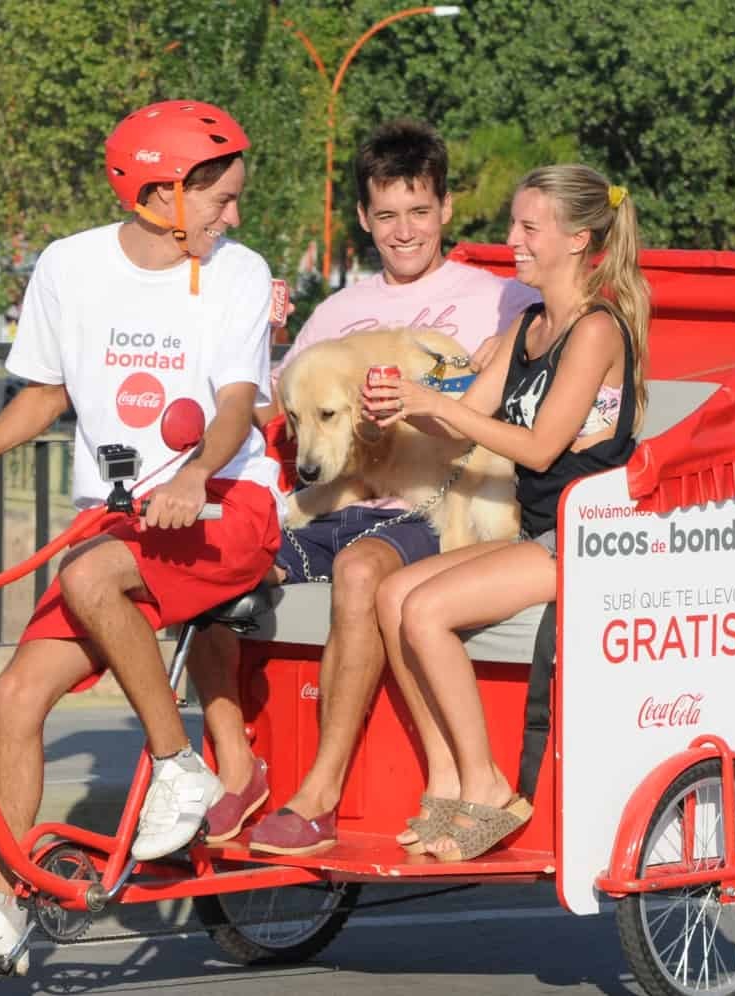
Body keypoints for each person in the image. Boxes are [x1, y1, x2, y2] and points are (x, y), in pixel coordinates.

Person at [0, 100, 282, 975]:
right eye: (221, 197)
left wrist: (193, 474)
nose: (235, 213)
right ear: (160, 193)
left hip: (226, 504)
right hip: (118, 523)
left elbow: (234, 406)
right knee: (14, 699)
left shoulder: (237, 271)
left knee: (89, 579)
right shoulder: (69, 267)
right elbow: (44, 396)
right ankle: (4, 908)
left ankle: (179, 767)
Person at [188, 119, 539, 856]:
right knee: (216, 567)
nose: (403, 231)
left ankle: (318, 795)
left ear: (446, 208)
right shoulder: (337, 313)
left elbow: (531, 398)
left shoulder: (503, 302)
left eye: (418, 211)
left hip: (431, 512)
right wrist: (256, 346)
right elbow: (286, 426)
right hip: (333, 506)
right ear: (363, 219)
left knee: (360, 568)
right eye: (386, 215)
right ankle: (235, 769)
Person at [366, 164, 648, 863]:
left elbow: (542, 445)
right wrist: (407, 404)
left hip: (584, 538)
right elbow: (464, 427)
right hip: (537, 529)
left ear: (578, 238)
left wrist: (437, 404)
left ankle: (489, 784)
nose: (512, 240)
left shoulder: (595, 332)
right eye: (514, 225)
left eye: (529, 227)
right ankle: (449, 780)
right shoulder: (528, 323)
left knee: (427, 612)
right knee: (392, 593)